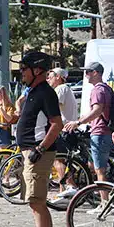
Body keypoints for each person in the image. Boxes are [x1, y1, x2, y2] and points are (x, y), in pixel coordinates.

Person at [13, 52, 63, 227]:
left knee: (36, 202)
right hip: (31, 152)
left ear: (37, 70)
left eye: (25, 68)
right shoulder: (34, 91)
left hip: (37, 154)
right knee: (37, 202)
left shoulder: (45, 92)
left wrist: (40, 149)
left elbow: (57, 124)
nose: (21, 72)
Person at [65, 62, 114, 211]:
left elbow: (97, 111)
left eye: (88, 72)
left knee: (100, 170)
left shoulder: (98, 91)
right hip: (102, 132)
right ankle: (102, 197)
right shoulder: (105, 88)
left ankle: (105, 203)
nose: (85, 75)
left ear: (96, 73)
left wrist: (78, 122)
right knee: (94, 166)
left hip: (100, 133)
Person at [47, 68, 80, 201]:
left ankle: (70, 186)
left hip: (64, 130)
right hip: (67, 130)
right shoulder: (66, 89)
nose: (48, 79)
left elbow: (54, 108)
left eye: (50, 76)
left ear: (58, 77)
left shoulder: (61, 89)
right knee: (62, 161)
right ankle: (62, 194)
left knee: (58, 160)